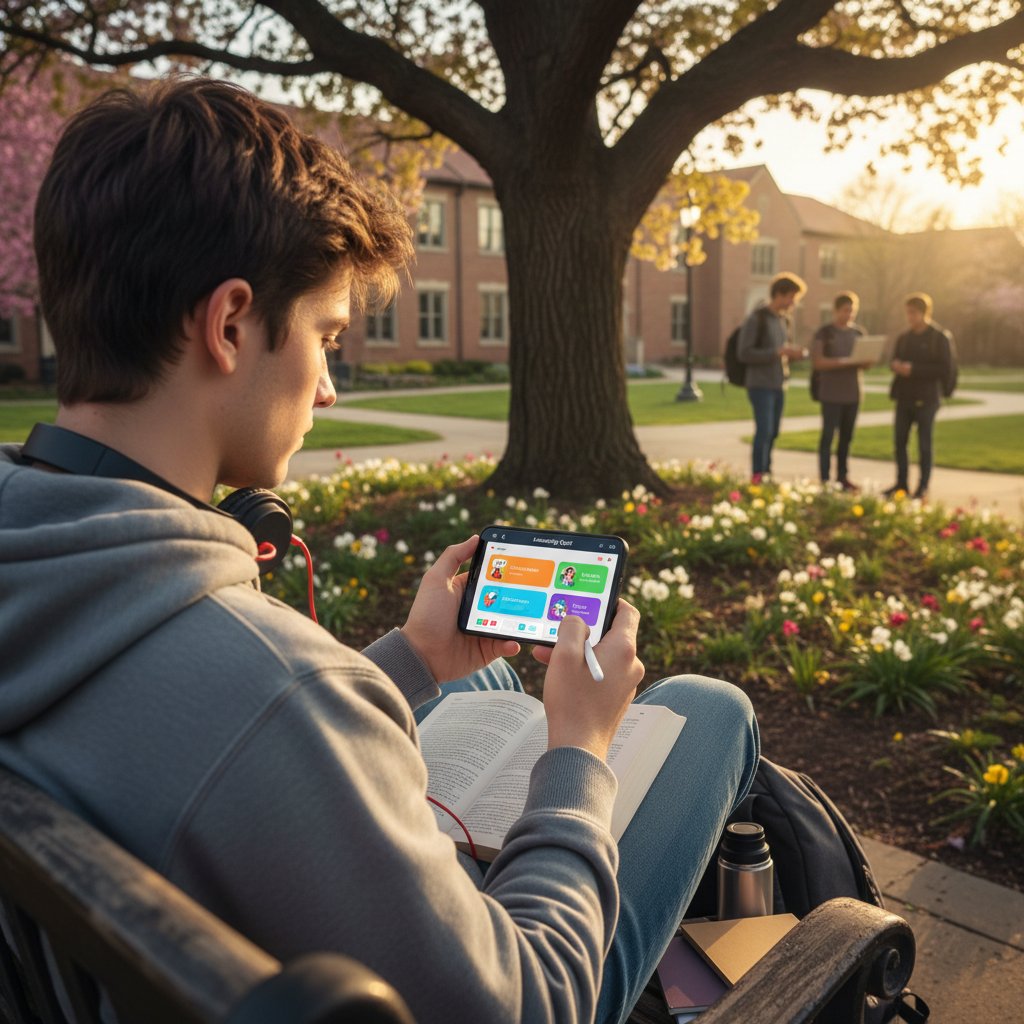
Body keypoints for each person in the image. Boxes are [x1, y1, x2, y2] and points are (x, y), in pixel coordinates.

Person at [0, 77, 759, 1024]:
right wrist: (578, 752)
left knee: (478, 684)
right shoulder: (286, 691)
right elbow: (531, 1004)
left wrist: (416, 661)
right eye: (326, 336)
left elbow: (210, 738)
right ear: (229, 324)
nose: (326, 390)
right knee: (705, 707)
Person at [736, 271, 809, 482]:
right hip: (760, 385)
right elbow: (744, 353)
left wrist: (793, 354)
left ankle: (767, 471)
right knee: (764, 430)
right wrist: (776, 353)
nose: (793, 303)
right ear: (780, 294)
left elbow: (782, 351)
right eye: (792, 298)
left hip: (779, 384)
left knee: (774, 431)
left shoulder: (784, 321)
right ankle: (758, 475)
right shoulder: (756, 319)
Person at [884, 292, 954, 500]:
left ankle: (923, 486)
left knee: (924, 443)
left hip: (928, 398)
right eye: (908, 313)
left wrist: (914, 369)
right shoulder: (904, 338)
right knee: (899, 442)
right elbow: (894, 359)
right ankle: (901, 483)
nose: (910, 317)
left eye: (913, 313)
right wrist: (896, 366)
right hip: (904, 396)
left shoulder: (938, 338)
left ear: (924, 313)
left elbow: (945, 369)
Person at [811, 292, 874, 491]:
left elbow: (865, 365)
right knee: (828, 436)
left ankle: (843, 477)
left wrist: (865, 361)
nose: (849, 315)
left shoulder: (859, 333)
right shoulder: (825, 333)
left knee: (847, 438)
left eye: (852, 311)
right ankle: (824, 478)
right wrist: (842, 362)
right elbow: (818, 362)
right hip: (831, 393)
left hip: (853, 393)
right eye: (846, 310)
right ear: (836, 310)